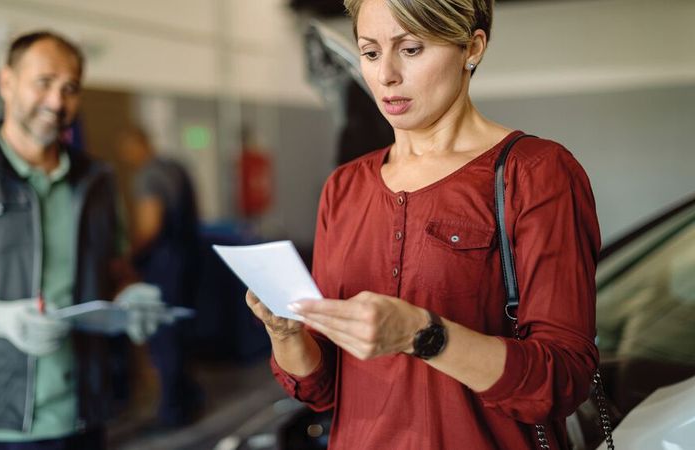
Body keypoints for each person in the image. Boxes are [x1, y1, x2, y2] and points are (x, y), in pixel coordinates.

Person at [245, 0, 601, 449]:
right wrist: (287, 332)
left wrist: (424, 334)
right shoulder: (344, 187)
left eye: (411, 49)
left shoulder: (534, 173)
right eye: (371, 53)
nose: (386, 75)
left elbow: (563, 379)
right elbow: (324, 388)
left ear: (472, 47)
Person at [0, 31, 164, 450]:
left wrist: (130, 294)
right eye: (43, 82)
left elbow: (113, 267)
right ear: (7, 82)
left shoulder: (98, 180)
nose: (57, 102)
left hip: (79, 418)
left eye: (70, 88)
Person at [118, 127, 203, 428]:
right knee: (180, 330)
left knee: (164, 336)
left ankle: (172, 411)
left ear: (136, 144)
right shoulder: (175, 168)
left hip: (164, 264)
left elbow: (150, 226)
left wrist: (127, 258)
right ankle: (189, 398)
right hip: (189, 259)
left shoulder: (147, 176)